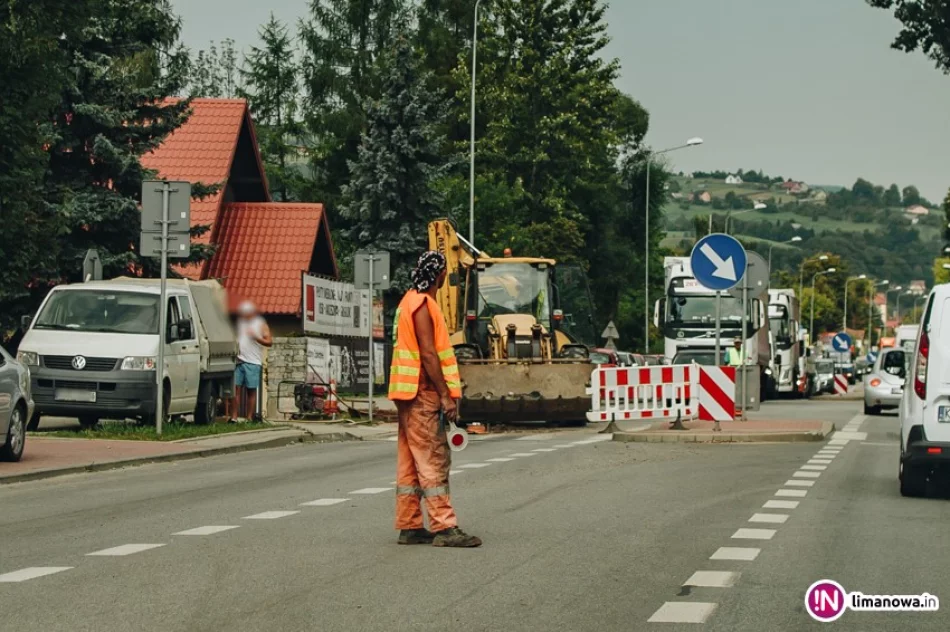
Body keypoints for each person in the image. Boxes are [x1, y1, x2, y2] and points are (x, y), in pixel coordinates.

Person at [388, 251, 482, 548]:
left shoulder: (407, 302)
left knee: (411, 461)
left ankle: (410, 525)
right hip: (423, 393)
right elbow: (429, 354)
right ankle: (445, 527)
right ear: (440, 275)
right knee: (432, 459)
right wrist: (445, 395)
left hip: (407, 393)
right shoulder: (424, 306)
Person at [228, 300, 272, 422]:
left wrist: (256, 338)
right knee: (235, 389)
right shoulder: (240, 323)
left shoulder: (261, 324)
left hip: (253, 362)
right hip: (239, 361)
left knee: (251, 391)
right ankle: (234, 417)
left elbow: (269, 342)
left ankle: (249, 417)